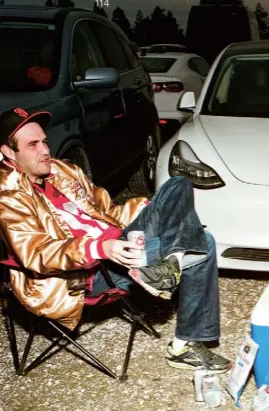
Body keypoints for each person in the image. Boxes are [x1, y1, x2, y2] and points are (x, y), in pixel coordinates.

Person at [0, 107, 231, 373]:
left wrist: (154, 209)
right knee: (205, 241)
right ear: (8, 153)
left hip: (122, 245)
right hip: (85, 273)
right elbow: (36, 252)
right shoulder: (9, 197)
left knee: (177, 185)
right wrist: (100, 247)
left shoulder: (63, 172)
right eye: (32, 145)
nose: (44, 150)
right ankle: (183, 344)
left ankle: (168, 265)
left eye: (44, 141)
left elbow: (109, 212)